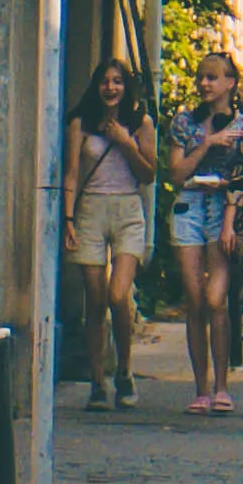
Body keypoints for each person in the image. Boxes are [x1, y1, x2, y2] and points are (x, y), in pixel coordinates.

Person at [63, 61, 163, 410]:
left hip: (127, 210)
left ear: (126, 87)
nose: (111, 88)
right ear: (96, 86)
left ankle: (124, 370)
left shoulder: (141, 123)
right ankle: (96, 381)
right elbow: (71, 173)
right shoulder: (81, 123)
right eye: (105, 82)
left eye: (117, 82)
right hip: (90, 209)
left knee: (118, 294)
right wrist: (68, 218)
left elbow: (149, 175)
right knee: (94, 298)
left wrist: (126, 143)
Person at [173, 56, 243, 414]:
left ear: (230, 83)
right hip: (189, 205)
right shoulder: (185, 122)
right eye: (201, 77)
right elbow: (175, 173)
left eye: (212, 77)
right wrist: (208, 143)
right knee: (194, 299)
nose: (205, 84)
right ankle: (201, 388)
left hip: (224, 207)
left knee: (215, 299)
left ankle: (222, 385)